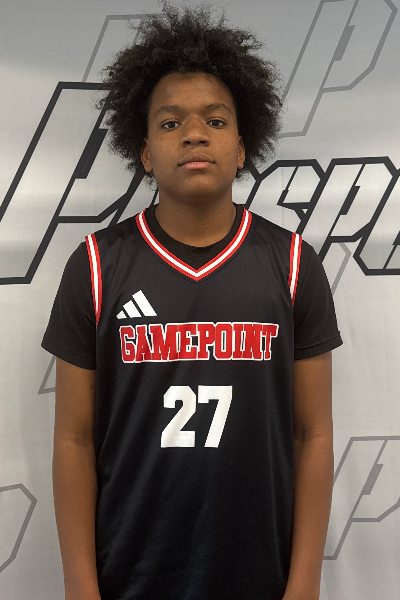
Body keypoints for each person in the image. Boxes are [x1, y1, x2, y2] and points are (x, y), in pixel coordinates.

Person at [41, 2, 343, 599]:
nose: (195, 133)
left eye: (216, 120)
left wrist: (306, 580)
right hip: (130, 577)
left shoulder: (291, 264)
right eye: (170, 122)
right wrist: (79, 583)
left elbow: (313, 435)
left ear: (243, 147)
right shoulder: (97, 265)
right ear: (145, 152)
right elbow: (73, 440)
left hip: (261, 578)